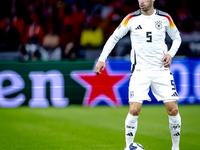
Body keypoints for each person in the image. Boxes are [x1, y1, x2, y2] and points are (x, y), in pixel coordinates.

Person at [94, 0, 182, 150]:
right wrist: (102, 59)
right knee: (134, 110)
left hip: (161, 70)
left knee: (173, 109)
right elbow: (114, 37)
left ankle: (175, 147)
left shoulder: (165, 18)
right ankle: (128, 147)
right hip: (140, 71)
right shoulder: (131, 19)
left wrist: (170, 54)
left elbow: (177, 38)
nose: (141, 2)